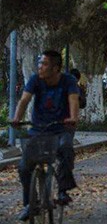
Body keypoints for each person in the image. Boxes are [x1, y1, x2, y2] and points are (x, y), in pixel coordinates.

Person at [12, 50, 80, 221]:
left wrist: (73, 118)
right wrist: (16, 119)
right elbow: (24, 100)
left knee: (65, 149)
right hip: (39, 128)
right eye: (39, 63)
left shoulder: (68, 81)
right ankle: (30, 204)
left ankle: (63, 190)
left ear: (56, 68)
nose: (40, 67)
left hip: (62, 127)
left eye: (44, 64)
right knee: (23, 166)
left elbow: (73, 100)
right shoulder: (35, 80)